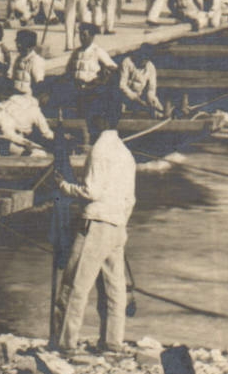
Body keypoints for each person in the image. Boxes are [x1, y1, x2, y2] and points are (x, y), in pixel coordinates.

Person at [52, 109, 137, 354]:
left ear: (99, 120)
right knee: (114, 289)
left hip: (96, 224)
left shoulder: (99, 149)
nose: (87, 125)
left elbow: (92, 191)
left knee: (75, 285)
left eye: (91, 119)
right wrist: (120, 221)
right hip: (117, 225)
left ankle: (64, 343)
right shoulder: (125, 152)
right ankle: (112, 342)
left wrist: (63, 185)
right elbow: (130, 198)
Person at [67, 24, 117, 114]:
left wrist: (103, 75)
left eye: (84, 35)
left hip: (91, 90)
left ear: (92, 36)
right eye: (80, 35)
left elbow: (113, 67)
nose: (82, 38)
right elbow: (69, 69)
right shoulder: (76, 52)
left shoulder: (97, 51)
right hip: (76, 88)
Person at [118, 46, 163, 117]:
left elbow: (151, 87)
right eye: (142, 57)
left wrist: (150, 97)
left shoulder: (150, 67)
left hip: (141, 96)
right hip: (126, 96)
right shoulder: (127, 62)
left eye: (146, 59)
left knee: (158, 109)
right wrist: (134, 98)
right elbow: (122, 85)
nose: (143, 61)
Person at [9, 29, 48, 97]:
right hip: (15, 97)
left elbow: (39, 85)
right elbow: (12, 78)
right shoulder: (18, 59)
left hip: (28, 100)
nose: (18, 45)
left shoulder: (36, 61)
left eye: (21, 43)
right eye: (17, 42)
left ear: (29, 44)